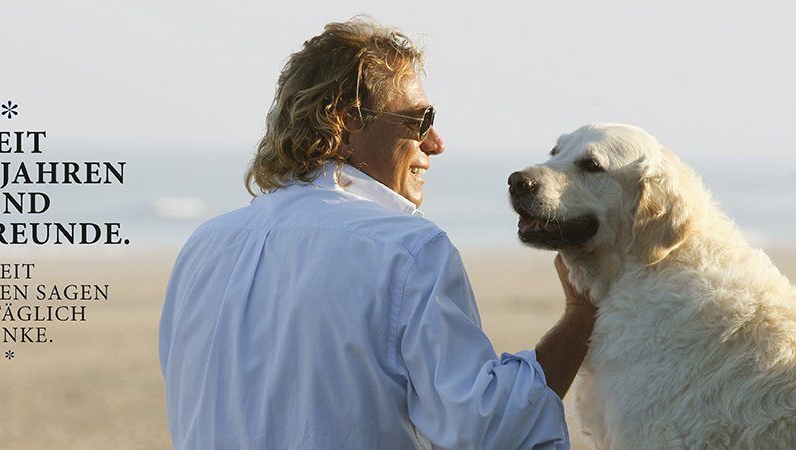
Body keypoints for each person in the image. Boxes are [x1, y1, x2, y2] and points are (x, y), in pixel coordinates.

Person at [157, 17, 596, 449]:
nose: (436, 143)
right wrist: (581, 312)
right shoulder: (407, 250)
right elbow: (485, 427)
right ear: (347, 123)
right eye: (420, 120)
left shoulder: (205, 245)